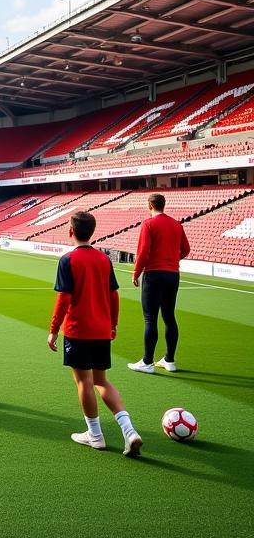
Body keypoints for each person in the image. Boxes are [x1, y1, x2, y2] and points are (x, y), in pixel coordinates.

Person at [47, 210, 142, 457]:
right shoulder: (104, 259)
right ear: (92, 232)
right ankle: (129, 431)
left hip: (79, 331)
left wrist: (53, 330)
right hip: (101, 330)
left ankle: (96, 435)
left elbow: (63, 299)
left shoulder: (67, 260)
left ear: (71, 231)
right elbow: (114, 295)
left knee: (84, 382)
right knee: (101, 381)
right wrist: (113, 324)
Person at [127, 193, 190, 374]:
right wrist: (171, 259)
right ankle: (169, 360)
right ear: (164, 205)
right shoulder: (176, 224)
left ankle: (147, 362)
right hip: (172, 275)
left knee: (150, 319)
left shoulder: (148, 224)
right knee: (169, 317)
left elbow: (144, 251)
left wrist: (136, 273)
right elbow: (186, 249)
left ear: (150, 206)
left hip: (154, 274)